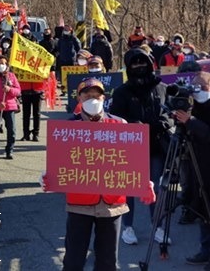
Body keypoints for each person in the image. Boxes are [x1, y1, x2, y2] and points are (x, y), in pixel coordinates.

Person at [45, 78, 155, 271]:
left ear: (104, 98)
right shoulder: (68, 129)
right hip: (79, 203)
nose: (92, 99)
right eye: (87, 95)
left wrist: (145, 183)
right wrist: (47, 177)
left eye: (97, 95)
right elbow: (58, 163)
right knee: (73, 260)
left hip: (113, 205)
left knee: (108, 262)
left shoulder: (120, 124)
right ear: (79, 98)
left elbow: (132, 162)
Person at [110, 48, 172, 245]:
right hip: (131, 147)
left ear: (150, 63)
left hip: (156, 145)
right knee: (129, 187)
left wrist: (164, 122)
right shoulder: (122, 92)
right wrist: (132, 124)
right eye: (134, 63)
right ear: (129, 67)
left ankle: (158, 226)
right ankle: (127, 227)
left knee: (156, 186)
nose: (139, 66)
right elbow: (114, 118)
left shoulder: (161, 87)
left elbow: (170, 112)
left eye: (142, 62)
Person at [173, 72, 210, 267]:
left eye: (203, 87)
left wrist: (191, 122)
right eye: (195, 87)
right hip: (197, 165)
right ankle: (205, 251)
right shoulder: (193, 106)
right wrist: (182, 121)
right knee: (204, 210)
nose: (199, 91)